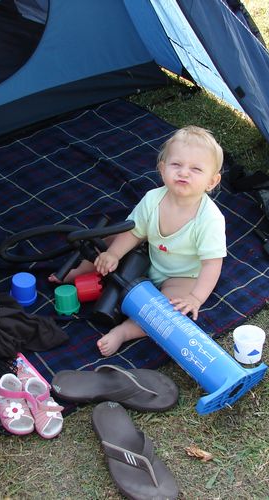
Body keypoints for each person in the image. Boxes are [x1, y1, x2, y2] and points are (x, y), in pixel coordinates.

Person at [53, 125, 227, 356]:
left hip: (184, 276)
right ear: (162, 169)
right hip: (151, 257)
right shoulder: (153, 199)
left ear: (212, 181)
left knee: (167, 313)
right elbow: (133, 232)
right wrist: (114, 254)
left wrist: (195, 297)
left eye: (195, 169)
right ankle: (79, 271)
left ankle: (125, 331)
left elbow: (212, 264)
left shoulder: (210, 219)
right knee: (108, 242)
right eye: (176, 164)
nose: (184, 173)